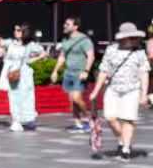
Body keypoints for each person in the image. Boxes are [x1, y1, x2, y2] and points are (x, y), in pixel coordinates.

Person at [92, 23, 146, 160]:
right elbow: (104, 71)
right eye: (132, 38)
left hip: (132, 90)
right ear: (123, 38)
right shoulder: (111, 50)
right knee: (110, 117)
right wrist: (96, 91)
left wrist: (143, 94)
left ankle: (125, 149)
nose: (135, 40)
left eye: (136, 38)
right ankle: (123, 139)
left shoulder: (139, 52)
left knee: (128, 119)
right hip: (113, 89)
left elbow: (144, 73)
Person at [1, 23, 47, 134]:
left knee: (25, 97)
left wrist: (32, 60)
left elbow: (43, 53)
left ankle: (26, 119)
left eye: (18, 30)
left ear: (24, 32)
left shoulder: (30, 45)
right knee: (13, 96)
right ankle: (16, 120)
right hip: (12, 72)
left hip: (24, 74)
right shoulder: (11, 43)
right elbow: (3, 51)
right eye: (15, 30)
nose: (15, 32)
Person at [53, 17, 96, 134]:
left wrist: (86, 71)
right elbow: (62, 56)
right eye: (64, 24)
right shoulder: (65, 39)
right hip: (68, 73)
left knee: (77, 98)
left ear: (75, 27)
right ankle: (78, 124)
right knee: (72, 101)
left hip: (79, 73)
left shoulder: (84, 40)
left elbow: (91, 56)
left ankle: (90, 119)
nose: (64, 26)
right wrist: (55, 71)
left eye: (68, 24)